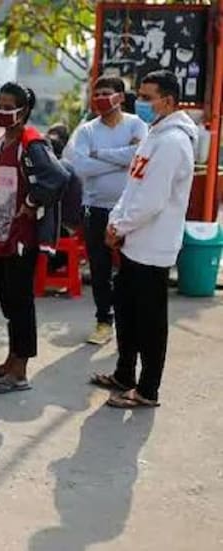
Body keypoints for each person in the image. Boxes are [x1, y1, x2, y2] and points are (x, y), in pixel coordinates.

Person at [91, 70, 197, 409]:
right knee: (126, 311)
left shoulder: (173, 142)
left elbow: (152, 200)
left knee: (150, 320)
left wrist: (119, 227)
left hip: (153, 244)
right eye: (139, 96)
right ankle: (125, 374)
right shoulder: (154, 135)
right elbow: (133, 186)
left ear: (168, 101)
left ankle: (148, 389)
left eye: (148, 98)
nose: (141, 103)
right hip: (133, 239)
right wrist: (116, 222)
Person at [0, 82, 70, 394]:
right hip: (4, 229)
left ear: (24, 110)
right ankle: (10, 361)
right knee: (8, 302)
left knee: (20, 302)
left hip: (22, 235)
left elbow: (58, 177)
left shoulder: (32, 143)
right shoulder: (5, 141)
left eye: (8, 106)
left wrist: (31, 203)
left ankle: (19, 372)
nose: (1, 111)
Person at [66, 75, 149, 345]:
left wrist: (100, 154)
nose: (101, 98)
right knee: (100, 270)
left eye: (106, 93)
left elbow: (140, 158)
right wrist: (122, 160)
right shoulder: (87, 131)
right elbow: (81, 167)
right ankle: (104, 321)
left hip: (129, 209)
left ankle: (131, 322)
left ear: (120, 97)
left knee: (132, 267)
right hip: (96, 209)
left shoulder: (136, 124)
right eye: (97, 94)